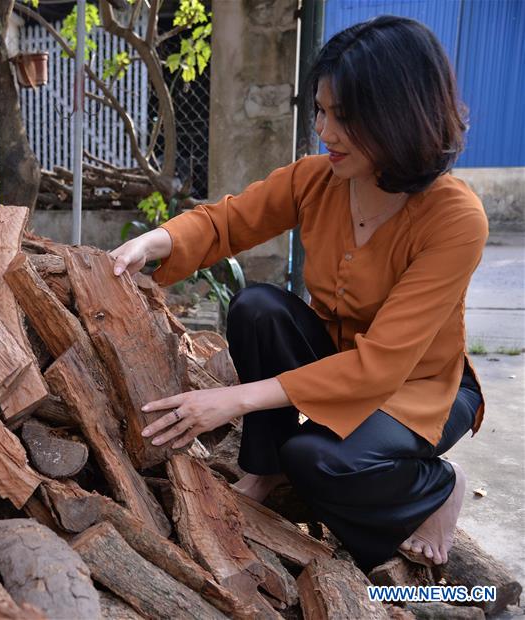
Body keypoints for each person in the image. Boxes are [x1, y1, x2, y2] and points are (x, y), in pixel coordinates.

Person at [108, 15, 488, 573]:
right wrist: (153, 241)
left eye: (345, 116)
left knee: (317, 460)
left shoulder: (455, 219)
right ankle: (265, 468)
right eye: (320, 111)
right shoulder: (317, 178)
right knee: (258, 308)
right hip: (338, 363)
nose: (325, 132)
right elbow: (228, 222)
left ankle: (438, 486)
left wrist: (235, 399)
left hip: (422, 387)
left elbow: (381, 366)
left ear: (401, 114)